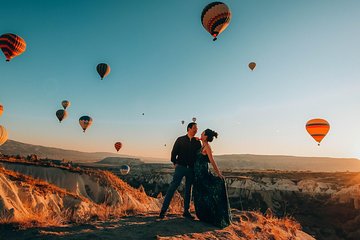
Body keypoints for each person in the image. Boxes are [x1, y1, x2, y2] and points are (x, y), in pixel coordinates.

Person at [159, 122, 201, 219]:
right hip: (180, 168)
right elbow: (173, 153)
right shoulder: (180, 139)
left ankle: (186, 211)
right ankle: (163, 211)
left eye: (197, 128)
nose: (196, 130)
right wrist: (175, 163)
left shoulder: (197, 142)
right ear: (189, 129)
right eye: (195, 128)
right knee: (172, 188)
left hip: (191, 169)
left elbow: (198, 156)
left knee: (188, 190)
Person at [193, 129, 231, 228]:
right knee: (200, 195)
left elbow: (212, 161)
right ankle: (205, 217)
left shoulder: (207, 147)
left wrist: (219, 174)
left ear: (205, 136)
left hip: (203, 174)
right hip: (197, 175)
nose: (200, 133)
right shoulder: (202, 145)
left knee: (206, 195)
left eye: (202, 133)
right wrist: (196, 139)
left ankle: (212, 217)